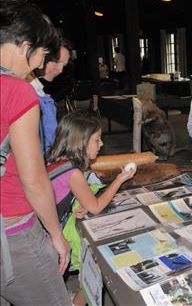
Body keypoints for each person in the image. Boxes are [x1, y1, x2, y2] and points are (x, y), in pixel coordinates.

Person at [0, 0, 72, 305]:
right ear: (24, 44)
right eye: (42, 53)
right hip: (12, 230)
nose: (41, 65)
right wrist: (57, 234)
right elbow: (33, 178)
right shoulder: (18, 91)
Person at [46, 111, 137, 305]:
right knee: (95, 269)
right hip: (49, 241)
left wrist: (82, 202)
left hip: (43, 230)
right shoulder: (73, 172)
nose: (101, 144)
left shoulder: (56, 159)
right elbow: (96, 207)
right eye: (97, 140)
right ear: (81, 142)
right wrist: (120, 179)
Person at [26, 38, 72, 154]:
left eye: (63, 65)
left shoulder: (36, 87)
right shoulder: (25, 89)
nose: (60, 69)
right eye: (56, 61)